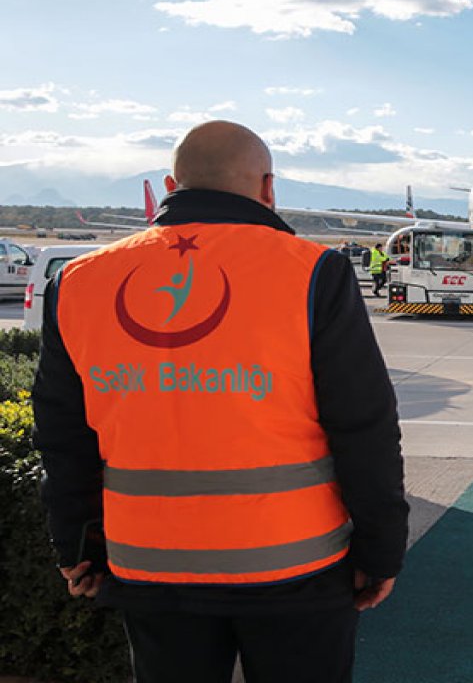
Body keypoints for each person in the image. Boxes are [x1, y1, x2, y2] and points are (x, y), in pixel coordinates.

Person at [33, 120, 409, 683]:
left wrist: (76, 544)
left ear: (170, 185)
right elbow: (364, 426)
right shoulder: (313, 271)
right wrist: (381, 551)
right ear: (268, 188)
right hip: (295, 565)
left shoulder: (79, 280)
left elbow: (61, 436)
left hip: (149, 565)